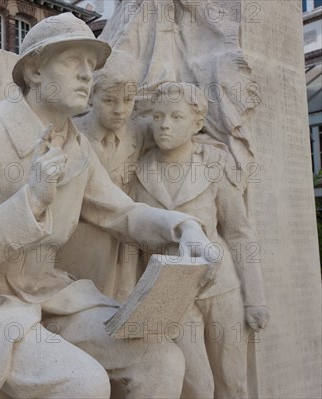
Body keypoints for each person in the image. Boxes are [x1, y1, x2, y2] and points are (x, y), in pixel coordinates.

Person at [0, 13, 217, 399]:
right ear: (34, 71)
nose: (86, 75)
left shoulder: (75, 144)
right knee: (83, 384)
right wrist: (30, 201)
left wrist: (184, 228)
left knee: (161, 358)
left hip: (52, 297)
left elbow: (122, 213)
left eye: (90, 66)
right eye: (70, 62)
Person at [128, 82, 269, 398]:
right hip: (171, 292)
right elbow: (130, 237)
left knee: (233, 383)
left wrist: (254, 298)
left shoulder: (214, 165)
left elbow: (238, 231)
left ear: (197, 124)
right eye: (158, 116)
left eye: (176, 117)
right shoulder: (139, 171)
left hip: (221, 287)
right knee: (197, 387)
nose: (164, 125)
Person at [58, 50, 147, 301]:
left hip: (123, 243)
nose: (120, 110)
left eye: (128, 101)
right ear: (91, 97)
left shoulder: (138, 133)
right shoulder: (72, 132)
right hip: (82, 240)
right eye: (109, 100)